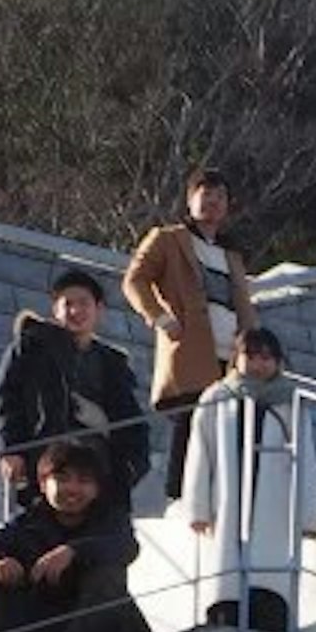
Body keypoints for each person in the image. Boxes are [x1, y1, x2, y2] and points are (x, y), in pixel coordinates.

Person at [176, 327, 316, 632]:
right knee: (226, 579)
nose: (258, 364)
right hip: (227, 499)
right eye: (250, 356)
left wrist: (310, 516)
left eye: (266, 357)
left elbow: (306, 460)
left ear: (279, 362)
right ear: (235, 360)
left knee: (269, 581)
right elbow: (201, 453)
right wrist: (197, 508)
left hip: (274, 504)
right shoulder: (217, 397)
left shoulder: (291, 402)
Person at [0, 438, 141, 632]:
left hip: (111, 631)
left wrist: (73, 551)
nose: (72, 488)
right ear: (42, 484)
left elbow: (126, 547)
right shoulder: (28, 524)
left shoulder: (110, 520)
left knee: (107, 575)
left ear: (96, 489)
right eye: (62, 479)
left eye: (83, 481)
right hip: (47, 629)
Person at [120, 164, 246, 500]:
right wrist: (160, 318)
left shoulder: (231, 255)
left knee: (226, 431)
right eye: (206, 195)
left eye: (220, 197)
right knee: (190, 426)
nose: (213, 203)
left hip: (231, 356)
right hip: (191, 351)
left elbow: (243, 305)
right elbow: (135, 279)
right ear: (190, 200)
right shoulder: (168, 239)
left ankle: (216, 500)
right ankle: (179, 498)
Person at [0, 270, 151, 510]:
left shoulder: (112, 363)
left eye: (84, 303)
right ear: (55, 310)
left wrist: (132, 467)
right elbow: (7, 398)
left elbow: (131, 421)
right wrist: (11, 450)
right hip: (48, 461)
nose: (76, 311)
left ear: (99, 309)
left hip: (100, 468)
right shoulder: (32, 347)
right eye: (68, 304)